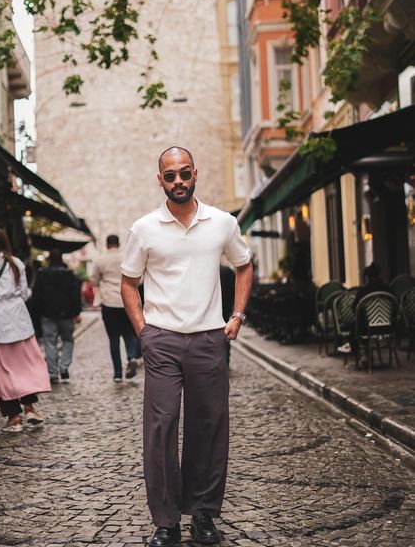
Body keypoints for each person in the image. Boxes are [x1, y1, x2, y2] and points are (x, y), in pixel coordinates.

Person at [121, 146, 254, 547]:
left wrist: (237, 316)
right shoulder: (144, 228)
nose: (178, 181)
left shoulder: (222, 223)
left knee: (209, 425)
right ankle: (165, 521)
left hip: (210, 338)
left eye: (184, 173)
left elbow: (244, 265)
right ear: (159, 179)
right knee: (161, 428)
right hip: (161, 338)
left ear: (195, 173)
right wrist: (144, 330)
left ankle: (204, 515)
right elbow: (128, 282)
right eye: (170, 175)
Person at [0, 226, 51, 433]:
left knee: (2, 370)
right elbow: (24, 293)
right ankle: (30, 407)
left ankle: (13, 417)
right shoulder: (15, 263)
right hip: (18, 319)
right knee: (25, 365)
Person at [31, 248, 82, 384]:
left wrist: (37, 312)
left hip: (47, 314)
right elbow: (75, 295)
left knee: (50, 342)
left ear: (49, 260)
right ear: (61, 260)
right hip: (66, 314)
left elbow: (36, 295)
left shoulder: (42, 275)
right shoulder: (70, 275)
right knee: (68, 340)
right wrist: (77, 312)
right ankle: (64, 367)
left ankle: (53, 373)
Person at [93, 234, 138, 382]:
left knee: (113, 339)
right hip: (126, 301)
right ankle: (132, 357)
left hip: (109, 302)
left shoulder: (100, 260)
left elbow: (95, 280)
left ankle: (118, 374)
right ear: (118, 244)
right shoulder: (127, 258)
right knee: (129, 333)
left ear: (106, 244)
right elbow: (139, 278)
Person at [220, 263, 235, 367]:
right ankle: (226, 360)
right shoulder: (228, 271)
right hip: (226, 307)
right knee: (225, 333)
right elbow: (234, 290)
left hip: (214, 308)